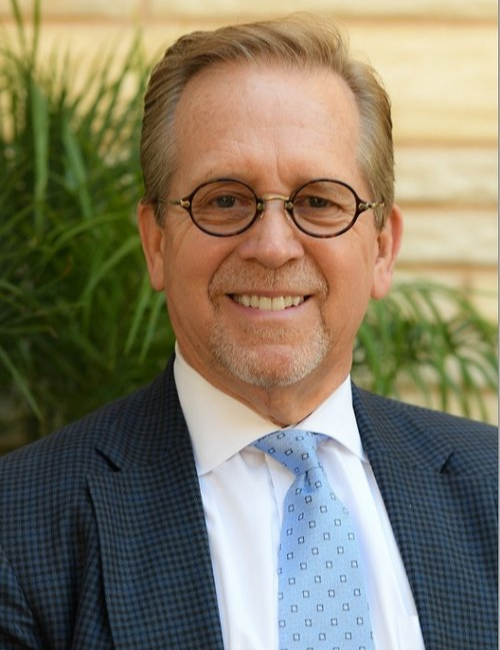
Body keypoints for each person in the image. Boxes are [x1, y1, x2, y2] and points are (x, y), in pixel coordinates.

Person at [0, 14, 496, 650]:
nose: (272, 247)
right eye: (225, 200)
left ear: (381, 249)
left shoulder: (493, 487)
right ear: (156, 243)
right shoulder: (20, 527)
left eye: (318, 201)